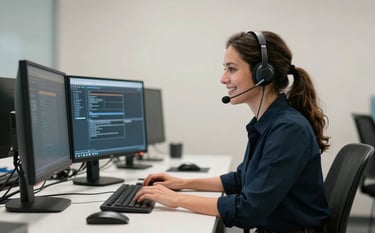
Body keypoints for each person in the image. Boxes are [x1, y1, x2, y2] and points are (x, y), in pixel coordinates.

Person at [134, 30, 330, 233]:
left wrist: (177, 199)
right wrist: (182, 183)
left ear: (263, 74)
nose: (223, 78)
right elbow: (241, 179)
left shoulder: (288, 129)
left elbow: (248, 209)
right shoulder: (269, 123)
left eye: (232, 69)